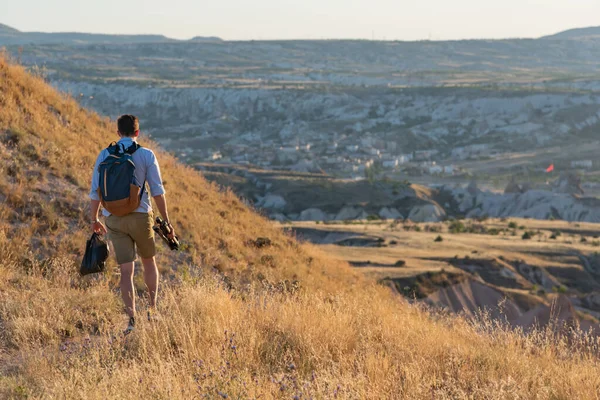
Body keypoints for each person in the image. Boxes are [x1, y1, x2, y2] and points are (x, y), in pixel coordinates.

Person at [89, 114, 175, 334]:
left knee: (126, 271)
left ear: (117, 133)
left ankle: (131, 321)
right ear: (138, 133)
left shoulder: (104, 154)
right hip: (140, 216)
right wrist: (166, 220)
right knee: (149, 262)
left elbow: (95, 191)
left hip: (114, 219)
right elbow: (157, 190)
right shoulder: (146, 154)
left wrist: (95, 219)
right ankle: (153, 310)